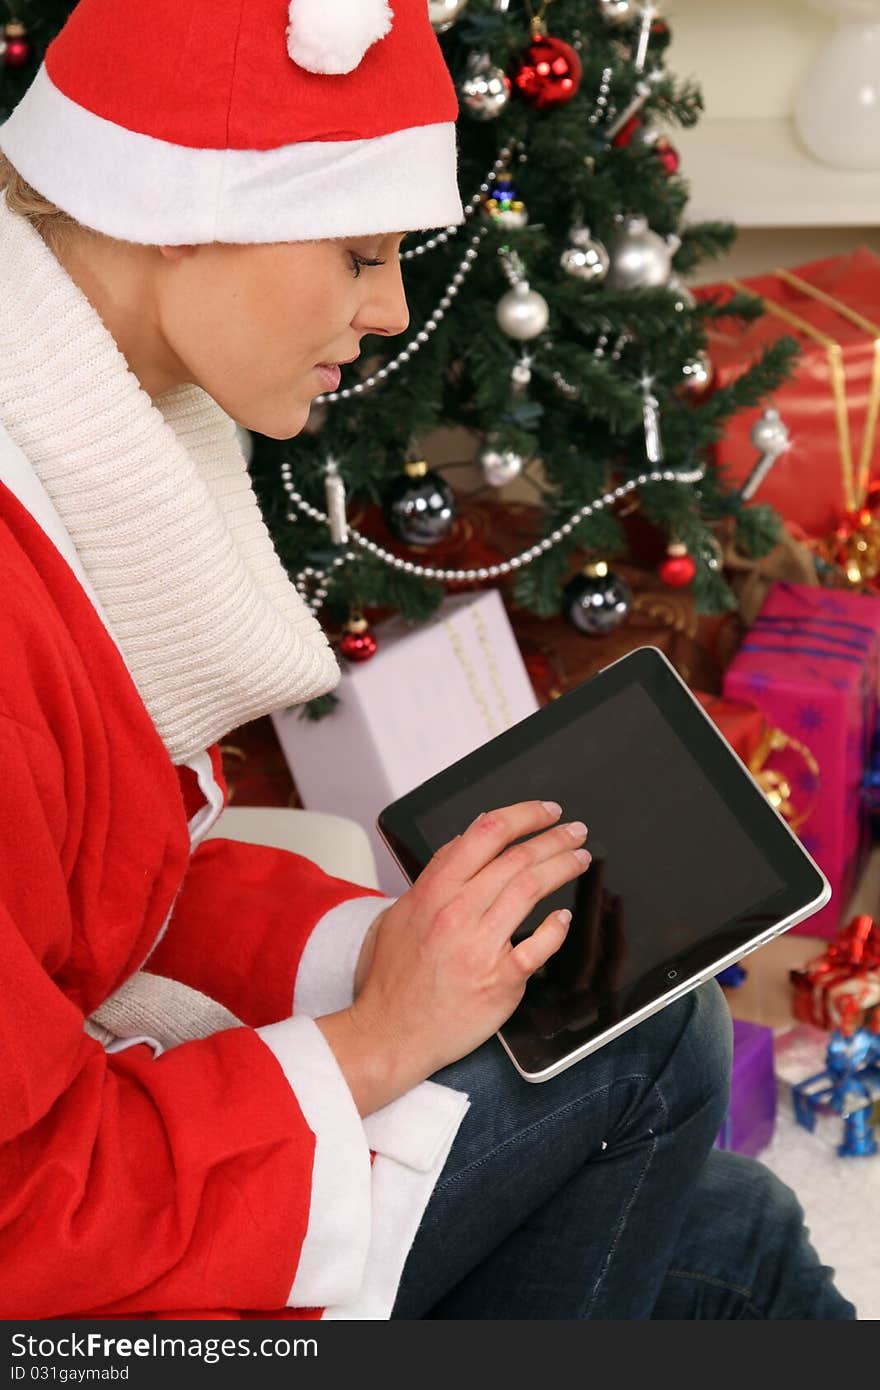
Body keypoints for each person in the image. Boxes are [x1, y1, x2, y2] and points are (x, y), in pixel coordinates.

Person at [0, 0, 854, 1322]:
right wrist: (376, 1038)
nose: (391, 306)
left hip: (106, 1146)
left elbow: (118, 894)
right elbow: (26, 1215)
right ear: (174, 202)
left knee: (737, 1231)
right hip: (64, 1277)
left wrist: (383, 949)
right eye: (357, 251)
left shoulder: (83, 464)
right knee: (642, 1045)